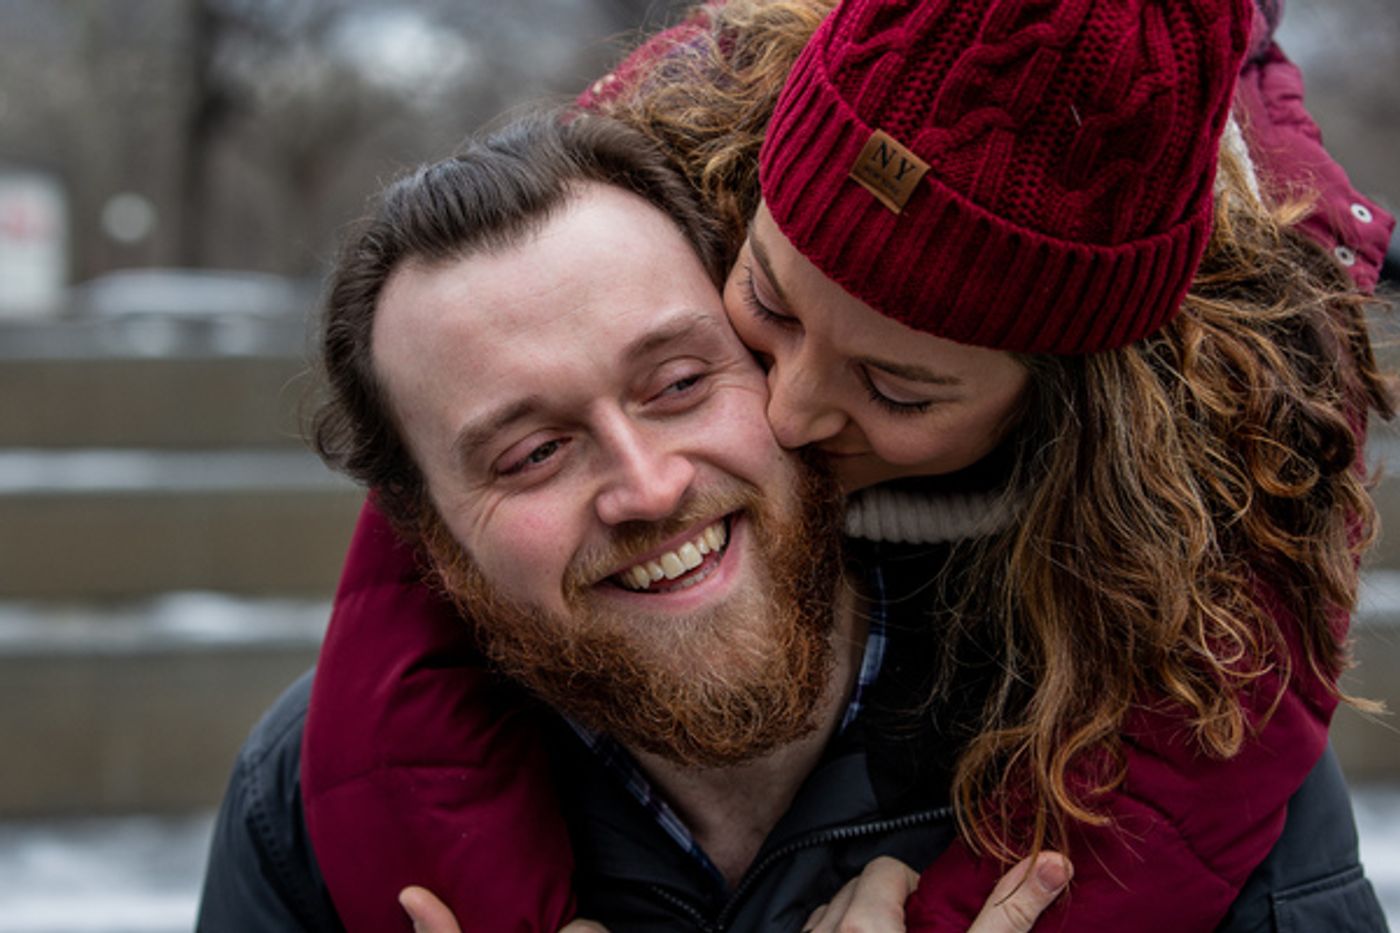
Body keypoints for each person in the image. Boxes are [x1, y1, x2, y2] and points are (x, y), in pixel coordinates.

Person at [289, 0, 1397, 930]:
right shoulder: (668, 140)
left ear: (1072, 412)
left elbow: (1180, 786)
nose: (790, 404)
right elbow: (435, 473)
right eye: (764, 305)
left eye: (897, 388)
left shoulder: (1242, 446)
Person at [198, 112, 1073, 933]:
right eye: (534, 453)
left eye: (681, 383)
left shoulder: (1076, 704)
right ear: (436, 543)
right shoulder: (297, 802)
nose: (648, 488)